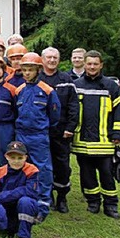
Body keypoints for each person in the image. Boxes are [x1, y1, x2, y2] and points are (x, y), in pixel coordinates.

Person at [72, 50, 120, 219]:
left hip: (105, 141)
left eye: (95, 64)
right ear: (84, 64)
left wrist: (118, 133)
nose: (92, 67)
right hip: (82, 140)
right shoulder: (76, 84)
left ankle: (111, 205)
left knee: (107, 174)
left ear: (101, 65)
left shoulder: (111, 86)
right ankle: (93, 202)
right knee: (86, 174)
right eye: (89, 63)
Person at [14, 52, 60, 222]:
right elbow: (15, 112)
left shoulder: (47, 91)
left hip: (39, 136)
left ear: (38, 70)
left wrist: (44, 129)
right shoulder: (19, 91)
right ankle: (25, 201)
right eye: (24, 70)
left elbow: (55, 115)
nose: (27, 73)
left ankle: (42, 206)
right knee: (21, 168)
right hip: (21, 135)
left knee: (43, 170)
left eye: (30, 70)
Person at [39, 47, 79, 213]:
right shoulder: (37, 79)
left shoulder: (66, 79)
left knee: (62, 165)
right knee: (44, 166)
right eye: (49, 57)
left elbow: (73, 106)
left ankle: (62, 197)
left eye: (55, 57)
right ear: (42, 60)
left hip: (62, 132)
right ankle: (47, 196)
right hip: (41, 131)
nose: (52, 60)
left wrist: (70, 127)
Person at [0, 141, 40, 238]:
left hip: (22, 205)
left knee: (25, 202)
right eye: (12, 157)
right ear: (6, 157)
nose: (16, 161)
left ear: (26, 157)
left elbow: (30, 191)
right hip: (5, 205)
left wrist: (4, 196)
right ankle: (7, 225)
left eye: (20, 158)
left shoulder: (32, 170)